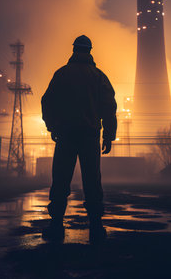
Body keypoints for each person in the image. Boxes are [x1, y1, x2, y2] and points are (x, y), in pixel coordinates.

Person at [41, 35, 117, 243]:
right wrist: (109, 136)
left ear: (74, 50)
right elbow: (109, 108)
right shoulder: (98, 76)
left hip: (66, 135)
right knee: (92, 181)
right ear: (90, 51)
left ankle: (56, 224)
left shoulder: (62, 74)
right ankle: (96, 226)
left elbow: (47, 102)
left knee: (61, 180)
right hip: (89, 137)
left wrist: (52, 127)